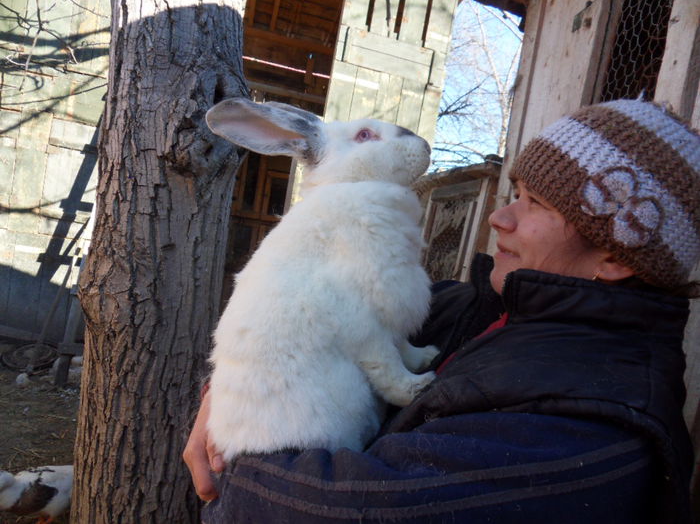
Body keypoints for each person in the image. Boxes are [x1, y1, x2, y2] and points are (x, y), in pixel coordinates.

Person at [183, 99, 700, 523]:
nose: (499, 217)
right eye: (514, 192)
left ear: (612, 258)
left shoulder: (593, 426)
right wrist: (227, 395)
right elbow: (298, 324)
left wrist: (238, 462)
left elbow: (346, 510)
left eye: (537, 203)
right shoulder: (466, 308)